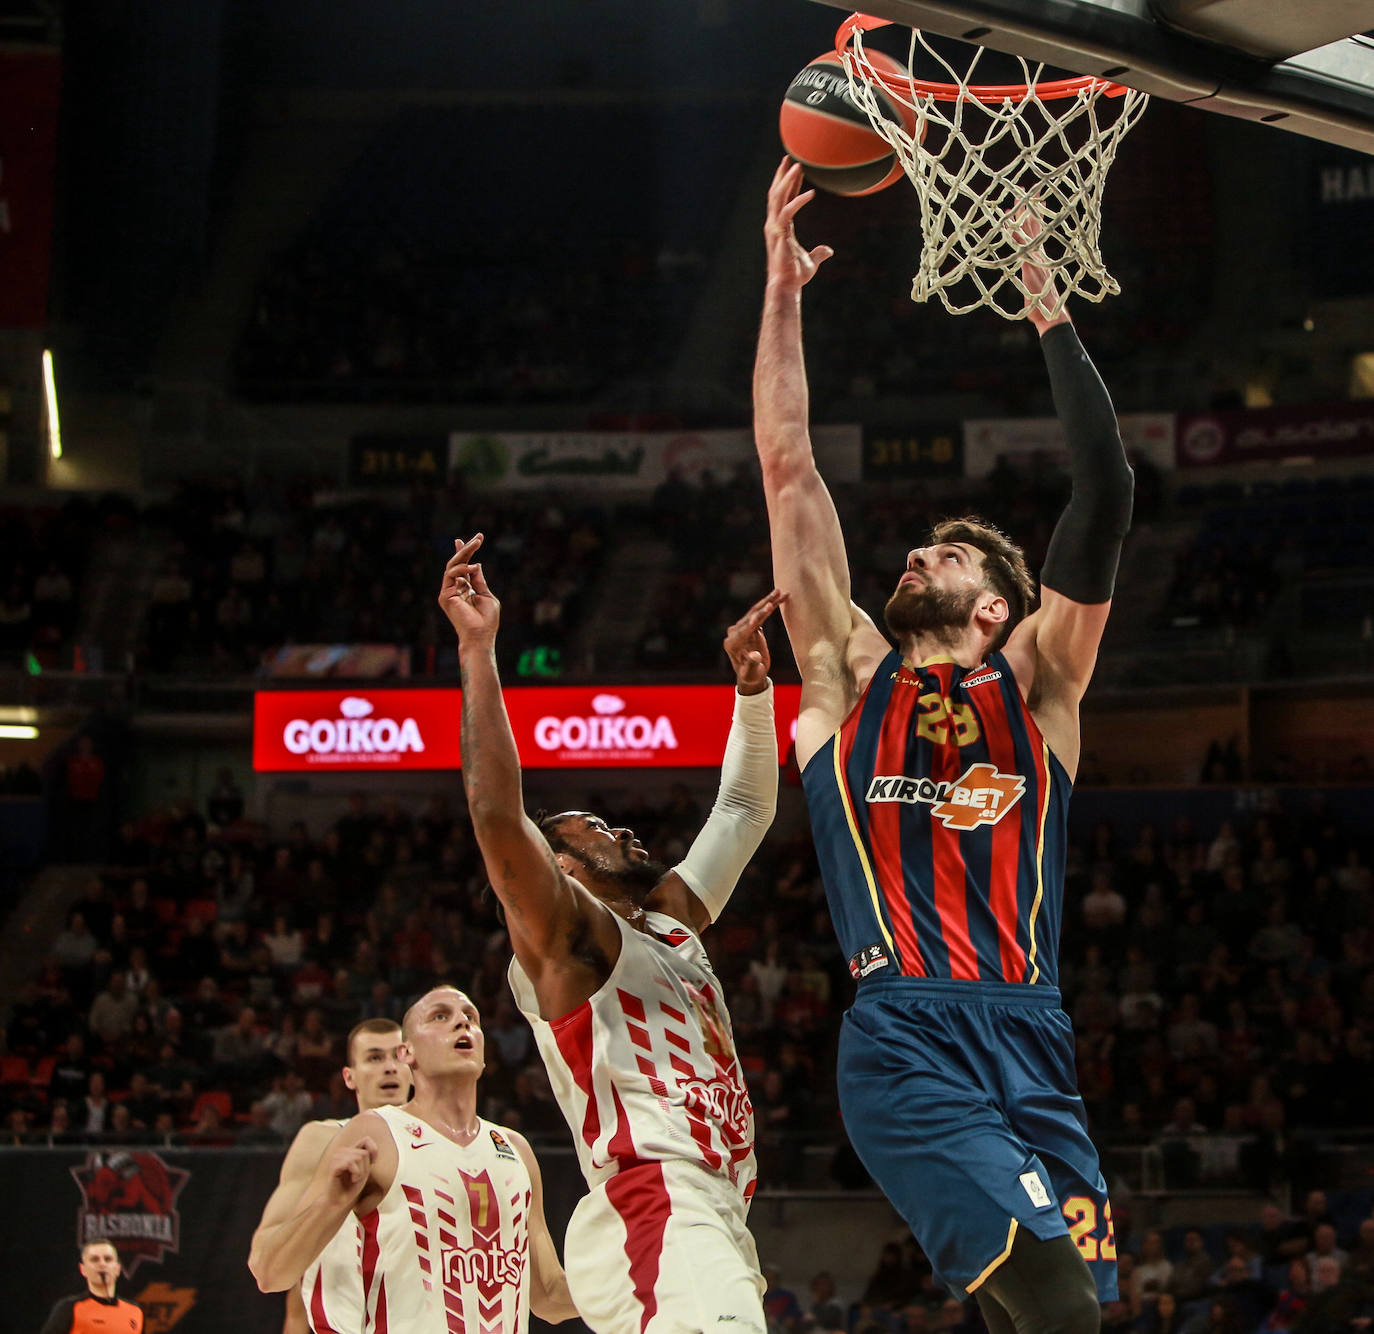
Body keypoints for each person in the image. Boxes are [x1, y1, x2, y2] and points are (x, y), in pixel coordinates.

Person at [752, 160, 1134, 1334]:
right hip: (908, 1031)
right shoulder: (846, 674)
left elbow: (1106, 487)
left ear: (994, 612)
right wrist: (780, 295)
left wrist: (1051, 311)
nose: (915, 557)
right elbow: (787, 467)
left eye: (946, 557)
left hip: (1033, 1027)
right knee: (1060, 1308)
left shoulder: (1043, 685)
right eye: (916, 549)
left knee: (1068, 1314)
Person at [439, 535, 782, 1334]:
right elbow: (495, 814)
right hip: (657, 1197)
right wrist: (479, 651)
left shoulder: (665, 921)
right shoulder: (569, 940)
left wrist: (753, 694)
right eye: (590, 827)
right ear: (557, 870)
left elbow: (743, 812)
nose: (618, 827)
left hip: (715, 1209)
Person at [248, 987, 575, 1334]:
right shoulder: (369, 1134)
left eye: (471, 1017)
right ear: (409, 1053)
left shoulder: (515, 1149)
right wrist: (330, 1202)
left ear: (483, 1054)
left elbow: (549, 1296)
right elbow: (271, 1272)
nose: (461, 1022)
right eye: (440, 1016)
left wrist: (629, 1280)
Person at [249, 1018, 410, 1334]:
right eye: (375, 1058)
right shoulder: (321, 1140)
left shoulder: (447, 1145)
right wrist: (328, 1203)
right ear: (349, 1077)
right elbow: (265, 1259)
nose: (390, 1067)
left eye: (399, 1056)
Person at [39, 1239, 144, 1334]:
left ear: (118, 1269)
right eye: (95, 1259)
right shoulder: (70, 1308)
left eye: (108, 1259)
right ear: (83, 1269)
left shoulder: (135, 1311)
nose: (102, 1264)